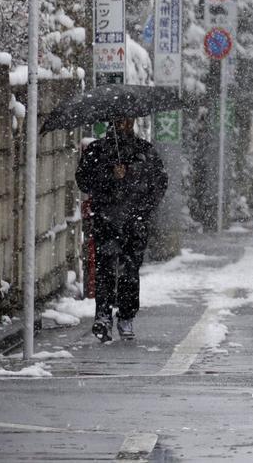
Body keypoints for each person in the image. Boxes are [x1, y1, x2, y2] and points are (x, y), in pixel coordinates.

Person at [75, 117, 168, 343]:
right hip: (106, 219)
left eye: (127, 121)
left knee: (130, 272)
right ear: (111, 123)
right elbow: (84, 181)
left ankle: (126, 315)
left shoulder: (144, 151)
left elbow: (159, 183)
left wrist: (143, 209)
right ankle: (103, 316)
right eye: (119, 122)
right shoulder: (97, 151)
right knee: (105, 269)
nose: (123, 126)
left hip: (134, 222)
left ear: (133, 122)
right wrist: (109, 176)